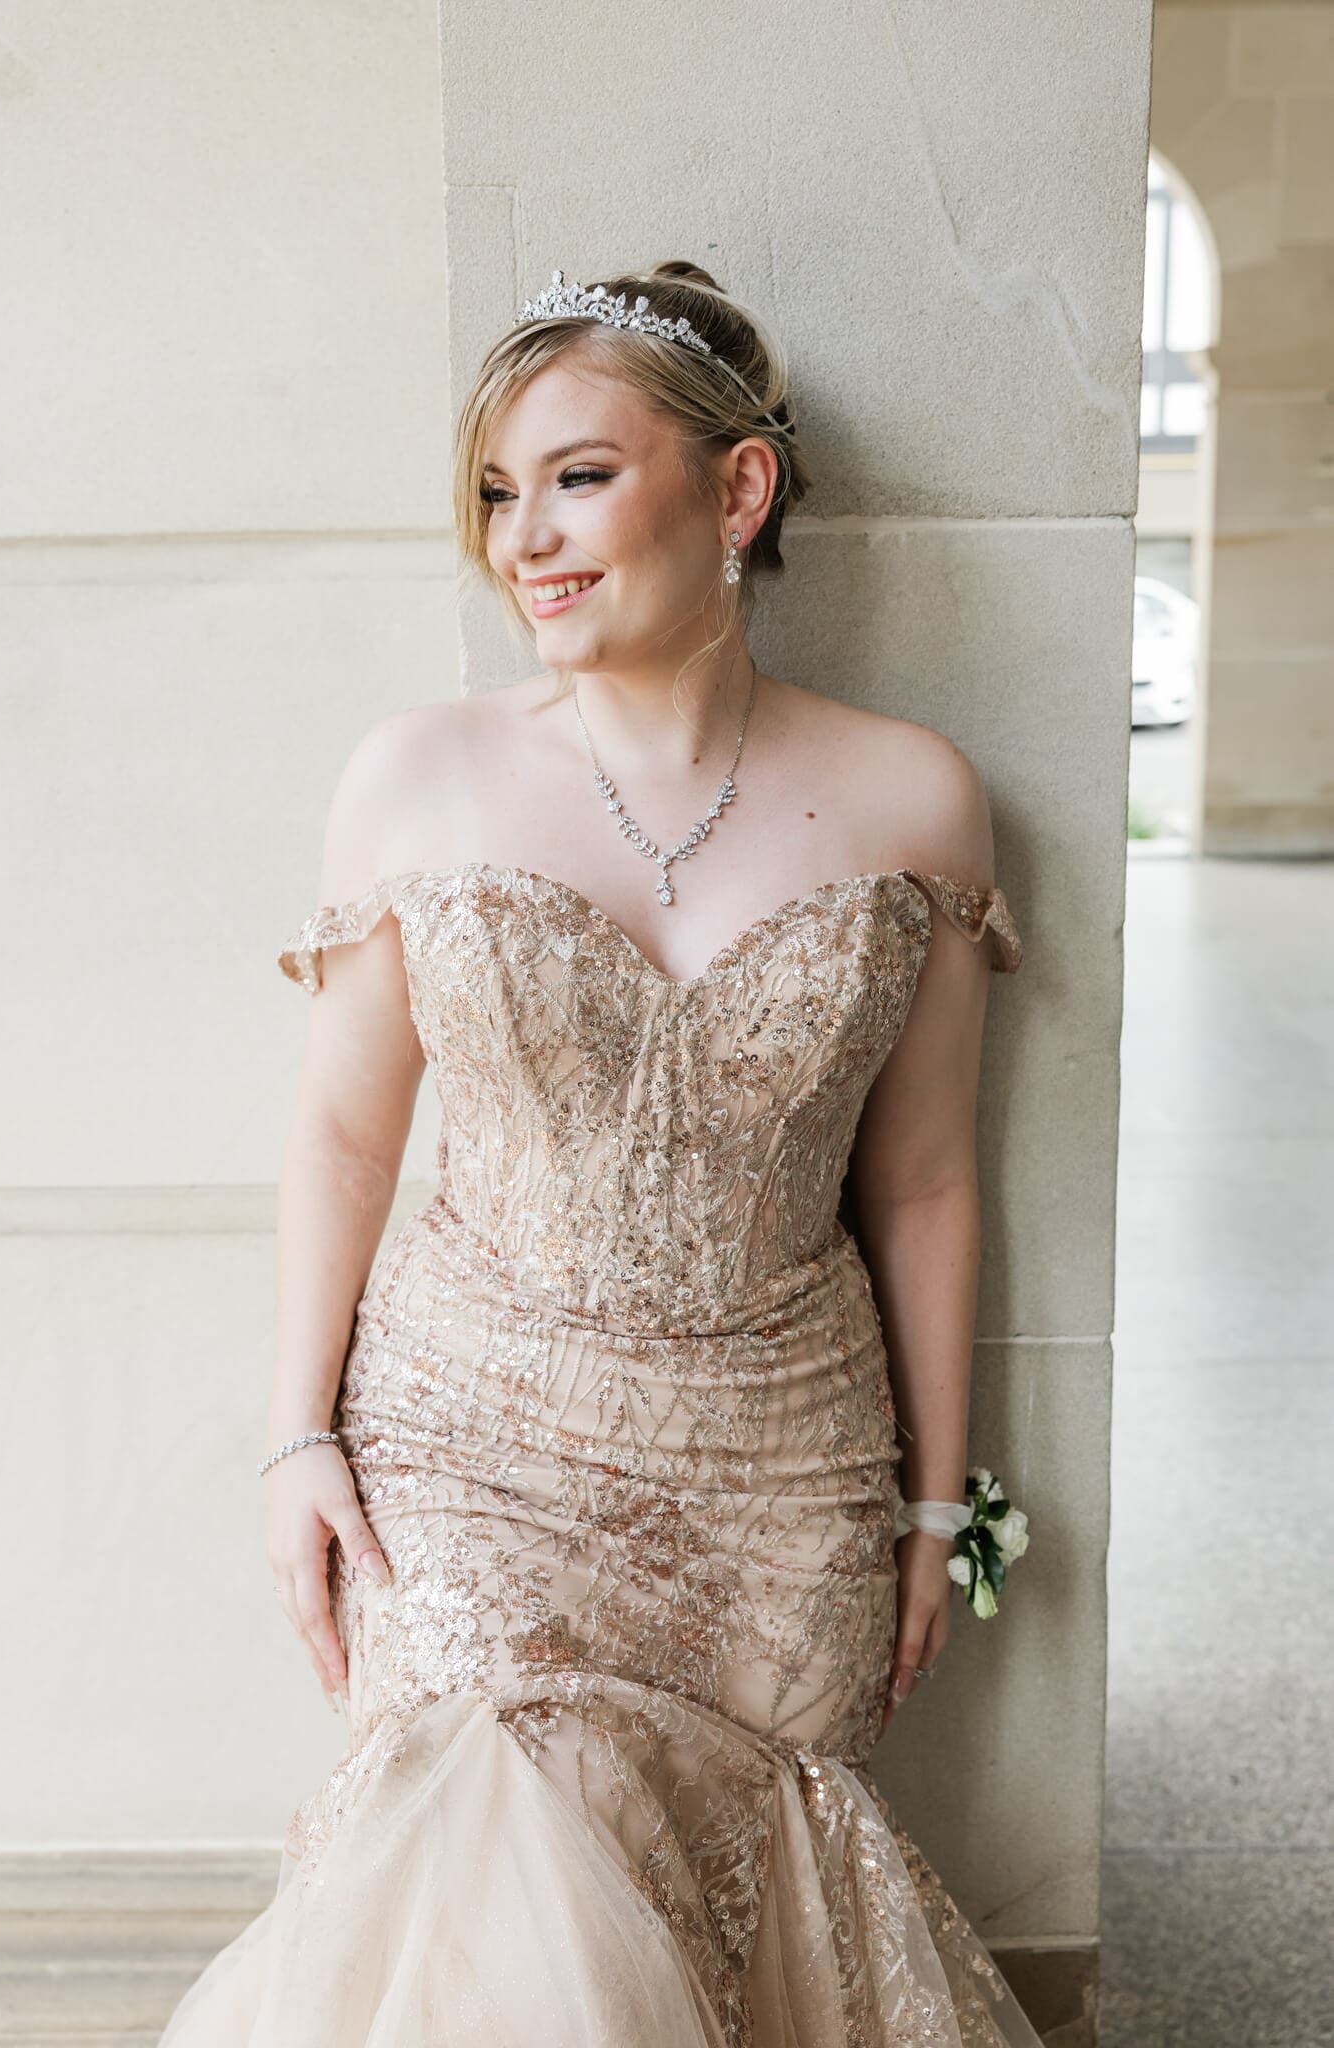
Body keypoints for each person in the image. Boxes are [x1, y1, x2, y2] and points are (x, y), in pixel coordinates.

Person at [158, 261, 1041, 2046]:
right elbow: (342, 1129)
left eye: (574, 475)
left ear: (734, 491)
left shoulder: (913, 797)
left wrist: (939, 1498)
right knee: (487, 1874)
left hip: (778, 1473)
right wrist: (294, 1436)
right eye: (496, 490)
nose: (522, 540)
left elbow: (928, 1176)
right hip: (471, 1439)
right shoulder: (417, 775)